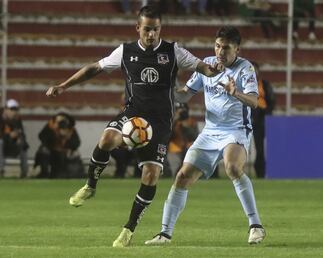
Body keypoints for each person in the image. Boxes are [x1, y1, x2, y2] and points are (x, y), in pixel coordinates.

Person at [45, 5, 223, 248]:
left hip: (159, 123)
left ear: (161, 29)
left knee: (151, 176)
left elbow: (200, 65)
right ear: (138, 28)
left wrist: (211, 70)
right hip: (132, 115)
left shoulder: (173, 51)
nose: (151, 34)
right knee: (107, 139)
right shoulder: (125, 51)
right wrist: (64, 85)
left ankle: (128, 229)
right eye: (147, 29)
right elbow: (94, 68)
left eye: (156, 30)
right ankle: (90, 185)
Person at [145, 26, 266, 246]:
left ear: (237, 49)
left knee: (233, 168)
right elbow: (184, 96)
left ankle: (256, 225)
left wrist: (235, 92)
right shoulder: (207, 64)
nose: (220, 51)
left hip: (236, 130)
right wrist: (165, 88)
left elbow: (254, 102)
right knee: (182, 177)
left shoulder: (245, 68)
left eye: (226, 48)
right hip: (210, 132)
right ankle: (164, 233)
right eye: (218, 46)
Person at [34, 112, 84, 178]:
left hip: (65, 152)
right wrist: (52, 136)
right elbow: (42, 137)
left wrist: (68, 143)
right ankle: (44, 172)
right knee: (43, 151)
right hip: (51, 151)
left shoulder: (70, 130)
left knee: (74, 154)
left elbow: (77, 143)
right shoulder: (51, 126)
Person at [251, 62, 275, 178]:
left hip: (262, 121)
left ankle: (262, 172)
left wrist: (265, 112)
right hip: (250, 120)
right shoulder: (243, 85)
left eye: (255, 70)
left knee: (261, 148)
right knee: (255, 148)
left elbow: (272, 102)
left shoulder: (264, 85)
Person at [167, 102, 198, 177]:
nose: (181, 113)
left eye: (183, 110)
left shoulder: (191, 121)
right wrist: (174, 121)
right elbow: (167, 136)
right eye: (178, 110)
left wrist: (186, 127)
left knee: (187, 172)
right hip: (174, 148)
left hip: (188, 148)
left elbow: (195, 137)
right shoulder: (171, 121)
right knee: (174, 172)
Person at [0, 99, 29, 178]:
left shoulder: (17, 120)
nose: (14, 111)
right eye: (12, 109)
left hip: (11, 146)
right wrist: (9, 135)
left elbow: (21, 133)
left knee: (23, 144)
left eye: (15, 109)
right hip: (3, 146)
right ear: (5, 109)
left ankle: (24, 173)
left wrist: (19, 138)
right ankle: (0, 170)